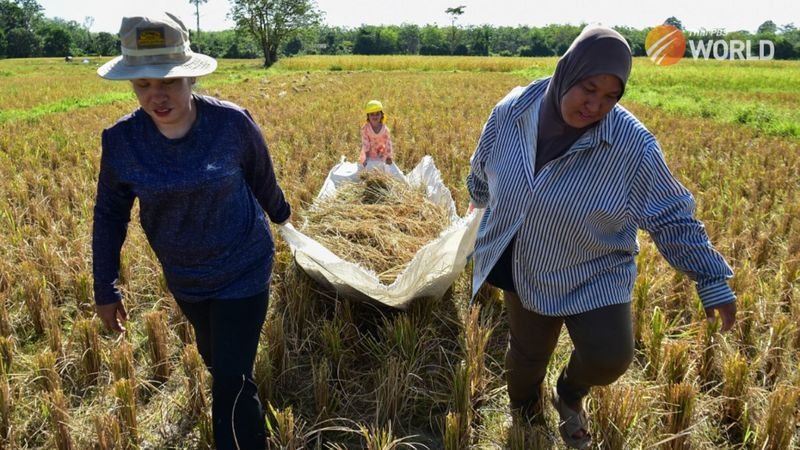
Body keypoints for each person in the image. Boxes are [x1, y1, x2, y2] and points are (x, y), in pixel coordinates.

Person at [466, 26, 736, 449]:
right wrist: (479, 198)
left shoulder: (631, 146)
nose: (594, 105)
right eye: (588, 89)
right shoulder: (512, 112)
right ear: (566, 72)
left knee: (610, 356)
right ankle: (525, 414)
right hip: (525, 260)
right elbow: (482, 166)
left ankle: (569, 393)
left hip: (595, 264)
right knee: (526, 361)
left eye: (610, 97)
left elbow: (671, 214)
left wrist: (710, 278)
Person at [93, 13, 290, 450]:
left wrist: (287, 221)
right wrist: (104, 287)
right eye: (143, 84)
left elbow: (262, 179)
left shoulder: (232, 124)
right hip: (186, 278)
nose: (156, 96)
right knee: (216, 357)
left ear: (190, 78)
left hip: (244, 267)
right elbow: (109, 213)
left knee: (231, 384)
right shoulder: (122, 141)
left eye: (169, 82)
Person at [358, 100, 404, 179]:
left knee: (388, 169)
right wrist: (366, 158)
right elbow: (366, 144)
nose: (375, 116)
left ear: (381, 115)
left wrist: (389, 156)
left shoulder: (385, 130)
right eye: (372, 114)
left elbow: (388, 144)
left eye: (377, 114)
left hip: (381, 153)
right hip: (369, 153)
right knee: (365, 170)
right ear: (368, 116)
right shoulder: (365, 128)